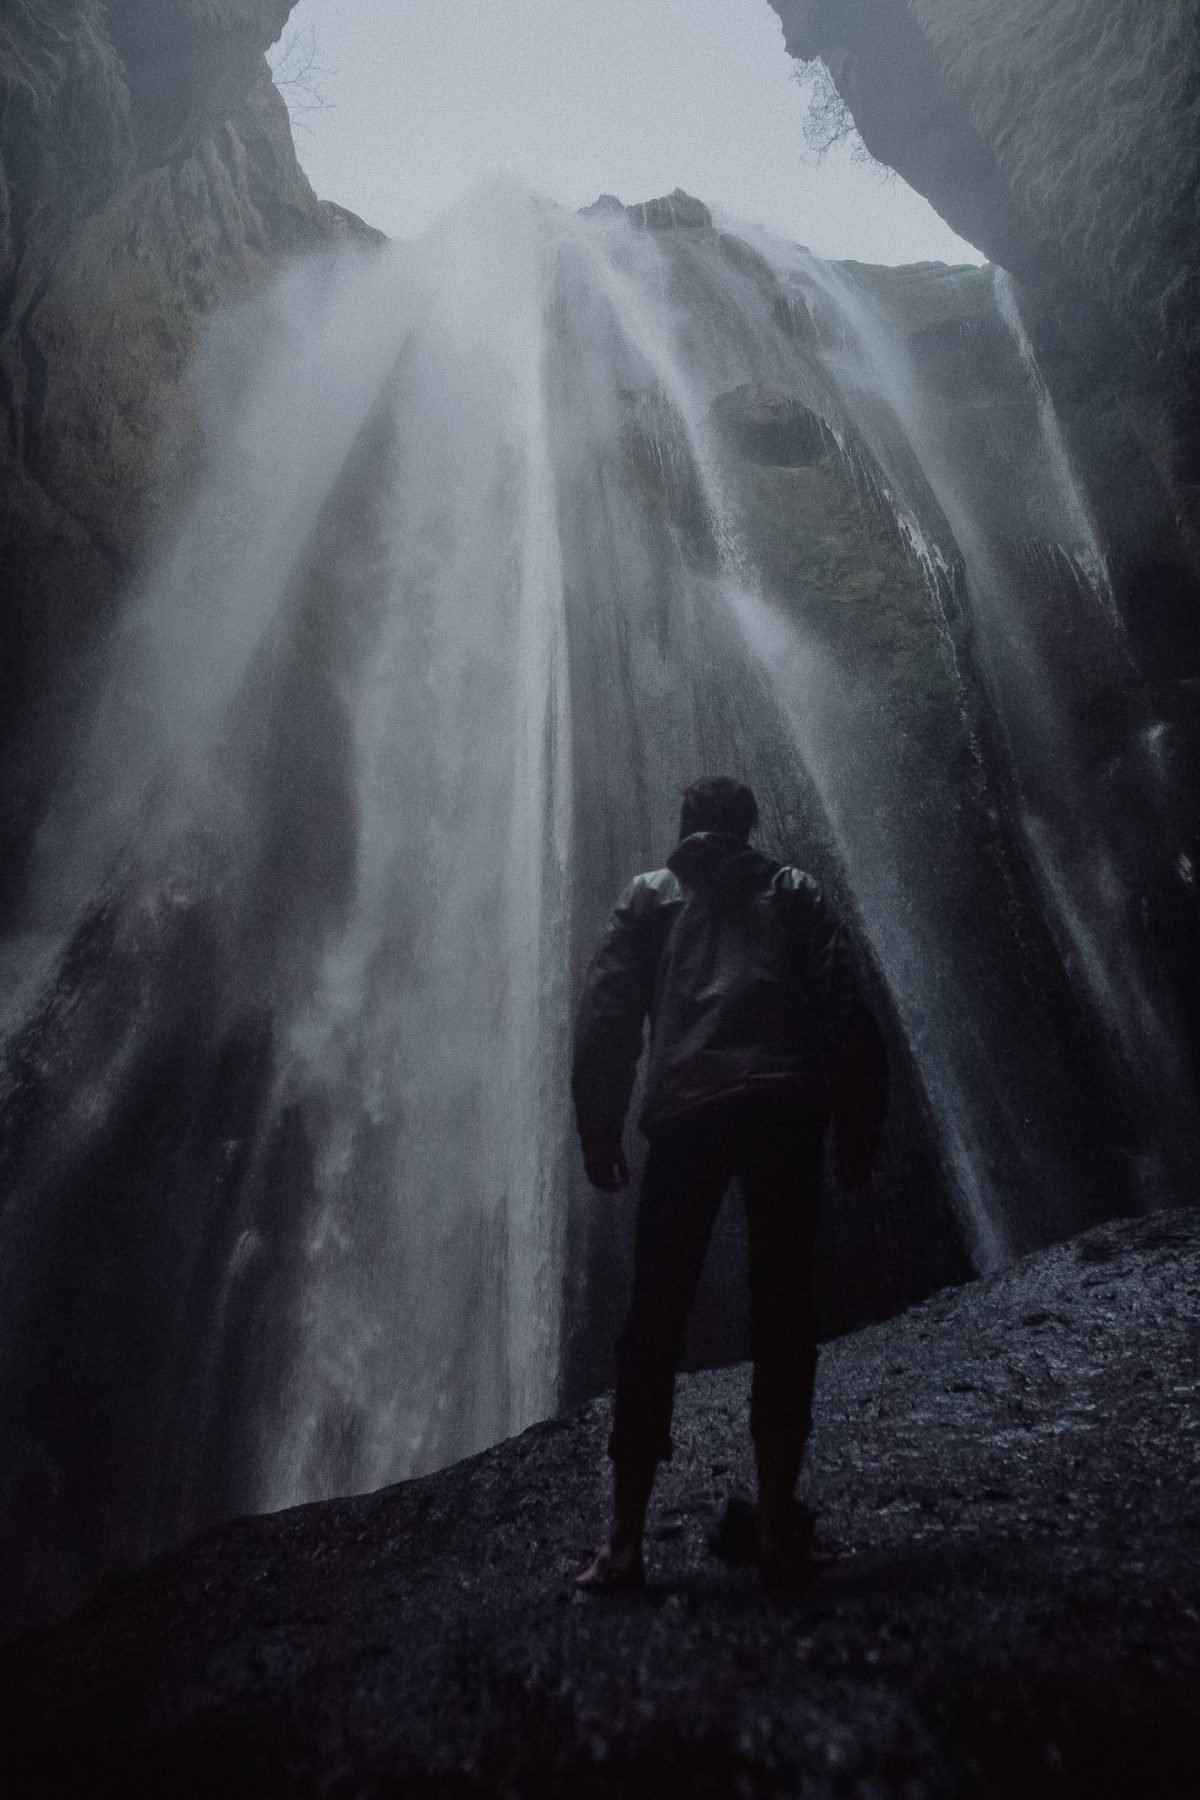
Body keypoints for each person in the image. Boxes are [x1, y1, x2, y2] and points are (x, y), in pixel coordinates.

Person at [571, 776, 886, 1590]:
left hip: (684, 1113)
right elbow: (844, 1005)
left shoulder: (649, 895)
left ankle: (623, 1543)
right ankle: (779, 1527)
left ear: (684, 828)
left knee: (655, 1315)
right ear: (749, 828)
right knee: (784, 1307)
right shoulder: (791, 889)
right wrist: (858, 1122)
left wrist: (598, 1127)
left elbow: (608, 1015)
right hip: (784, 1106)